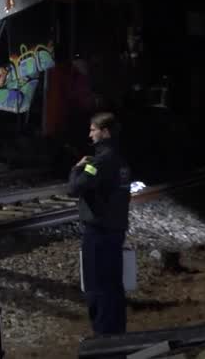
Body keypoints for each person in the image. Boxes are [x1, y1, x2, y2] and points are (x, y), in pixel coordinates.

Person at [68, 111, 132, 335]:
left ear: (104, 132)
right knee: (114, 285)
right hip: (116, 229)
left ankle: (103, 336)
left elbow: (75, 188)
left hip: (98, 232)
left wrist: (77, 168)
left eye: (93, 129)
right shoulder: (121, 160)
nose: (90, 134)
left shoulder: (99, 162)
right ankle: (116, 334)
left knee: (97, 287)